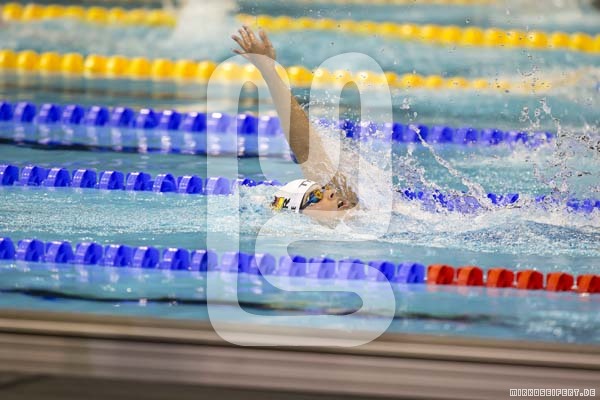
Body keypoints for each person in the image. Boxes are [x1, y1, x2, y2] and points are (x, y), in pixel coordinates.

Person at [231, 26, 358, 219]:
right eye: (316, 196)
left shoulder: (356, 212)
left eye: (322, 190)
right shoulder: (309, 230)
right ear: (301, 215)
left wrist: (269, 72)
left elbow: (306, 147)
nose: (332, 192)